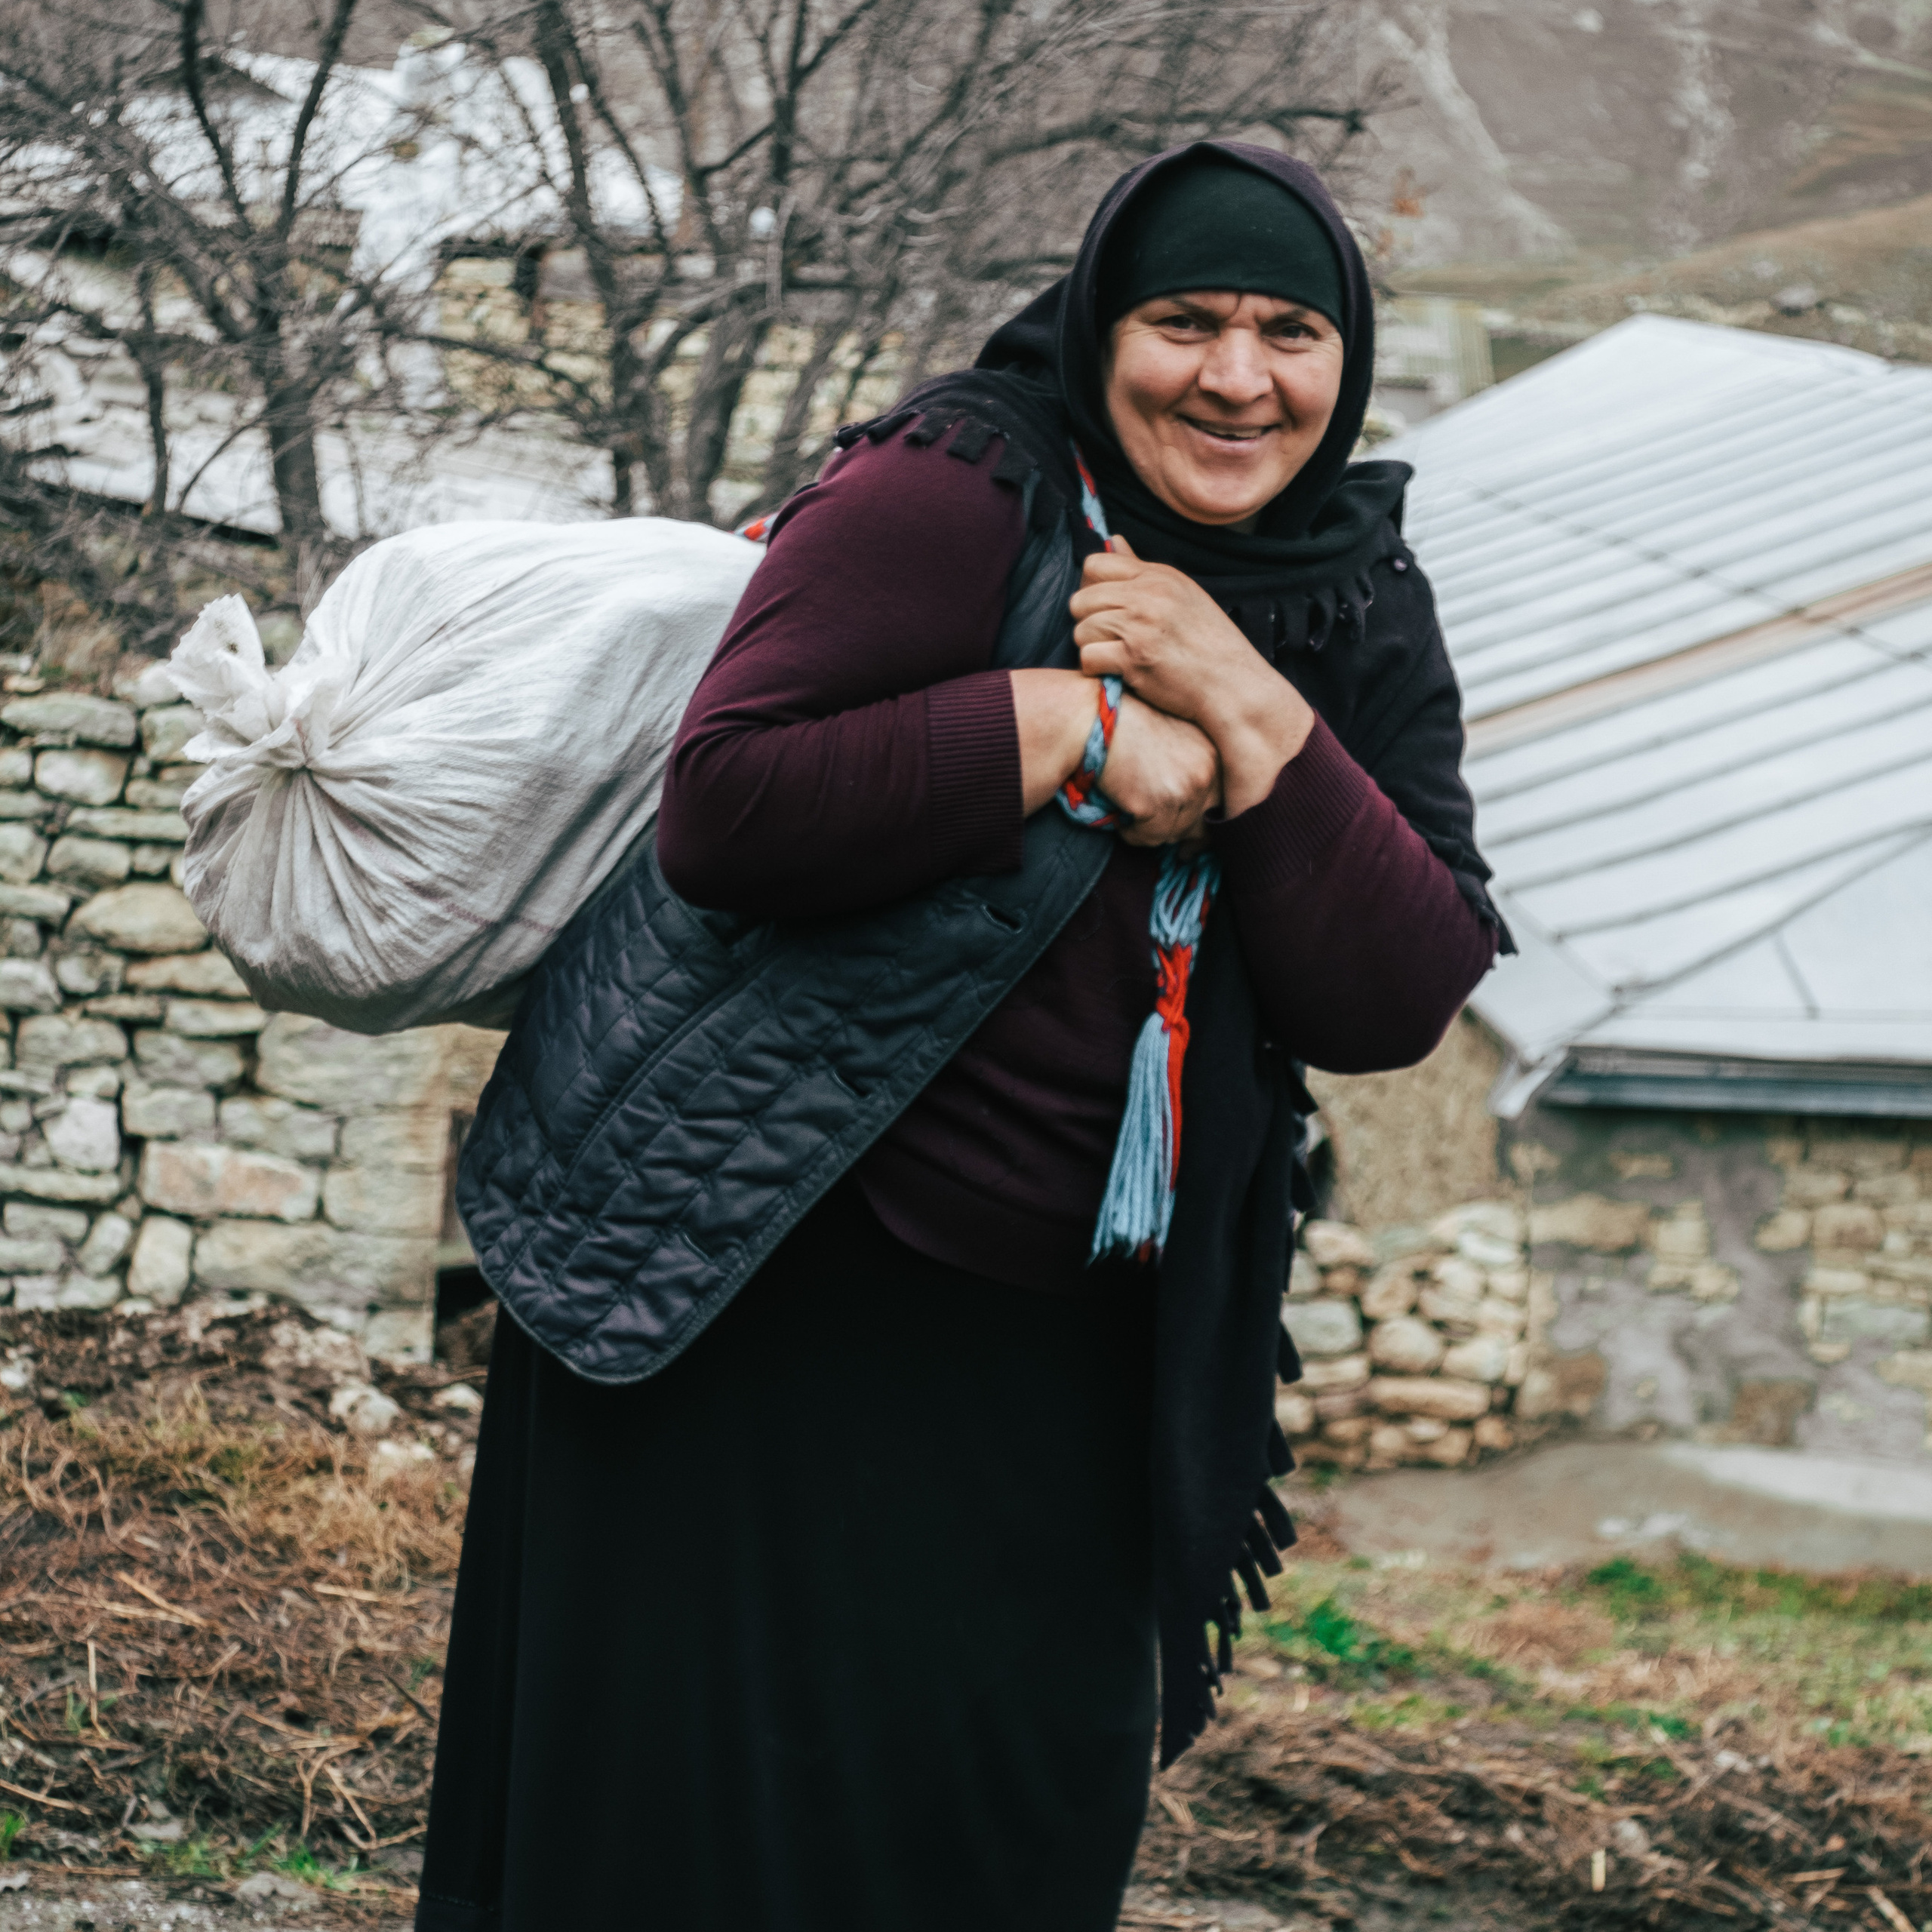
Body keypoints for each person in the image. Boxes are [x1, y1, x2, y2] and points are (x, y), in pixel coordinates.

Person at [415, 140, 1506, 1932]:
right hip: (758, 1298)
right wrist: (1060, 722)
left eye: (1287, 331)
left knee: (995, 1833)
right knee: (689, 1845)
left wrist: (1241, 699)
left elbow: (1394, 988)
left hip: (1076, 1364)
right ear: (1102, 325)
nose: (1237, 377)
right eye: (1184, 321)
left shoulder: (1349, 598)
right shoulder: (958, 486)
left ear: (1346, 356)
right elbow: (733, 799)